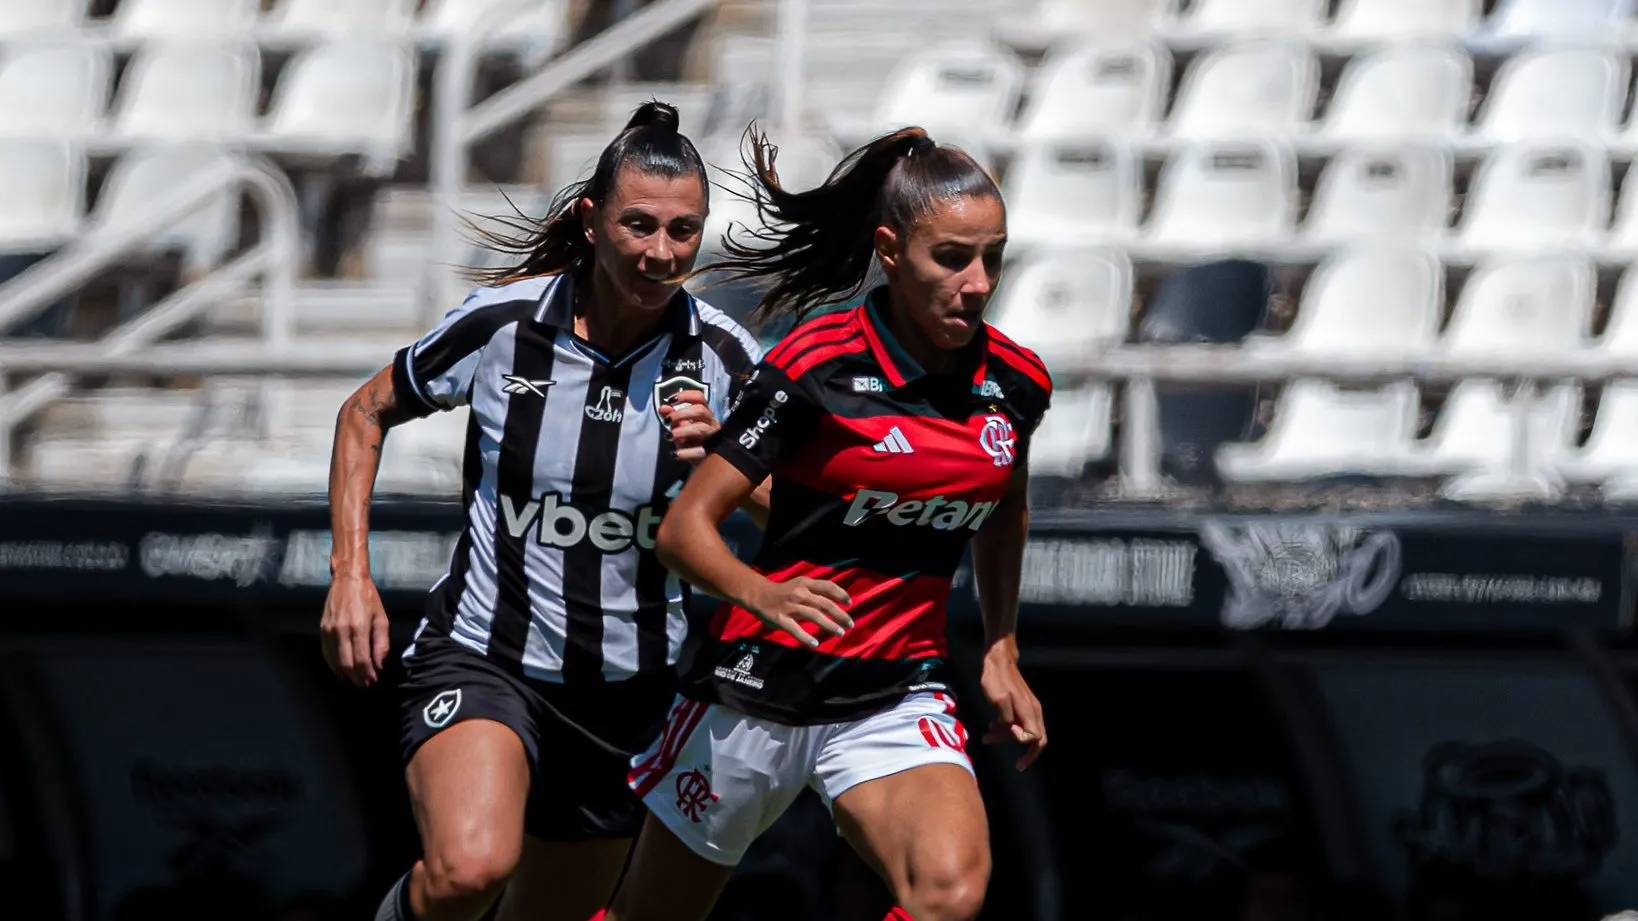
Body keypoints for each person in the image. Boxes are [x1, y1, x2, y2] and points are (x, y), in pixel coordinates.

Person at [318, 102, 766, 921]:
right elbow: (363, 413)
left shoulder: (729, 358)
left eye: (683, 232)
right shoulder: (504, 324)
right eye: (639, 225)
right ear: (591, 221)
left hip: (629, 697)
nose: (661, 253)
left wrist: (734, 462)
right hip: (486, 656)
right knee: (468, 868)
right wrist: (351, 574)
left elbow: (802, 516)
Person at [606, 127, 1052, 921]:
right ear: (890, 249)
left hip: (891, 691)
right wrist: (765, 594)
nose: (978, 282)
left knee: (949, 892)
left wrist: (1001, 643)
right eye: (952, 257)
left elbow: (1003, 508)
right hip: (756, 692)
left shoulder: (1016, 381)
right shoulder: (817, 365)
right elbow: (684, 529)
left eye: (993, 255)